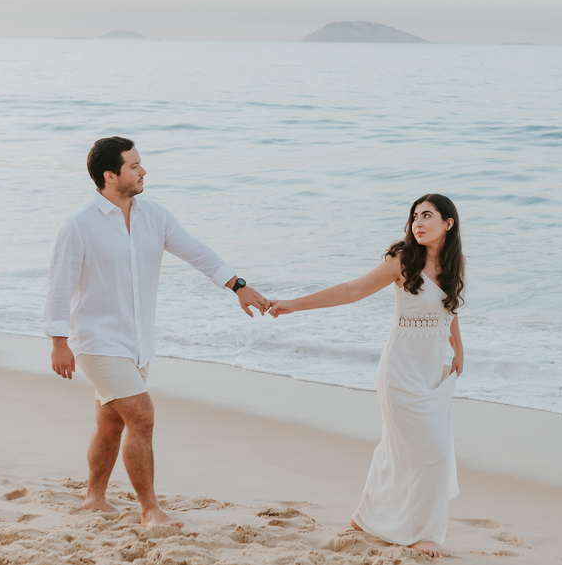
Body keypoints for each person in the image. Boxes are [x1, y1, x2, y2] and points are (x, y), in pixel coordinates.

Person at [44, 136, 269, 528]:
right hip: (96, 341)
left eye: (140, 164)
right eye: (134, 166)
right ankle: (150, 510)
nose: (143, 171)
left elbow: (196, 251)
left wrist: (237, 285)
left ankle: (94, 499)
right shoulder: (78, 224)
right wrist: (58, 343)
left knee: (111, 422)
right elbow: (59, 286)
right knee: (142, 417)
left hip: (138, 342)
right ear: (110, 175)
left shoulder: (155, 216)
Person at [269, 194, 465, 558]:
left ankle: (363, 517)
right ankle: (421, 533)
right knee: (432, 453)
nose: (418, 223)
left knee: (398, 450)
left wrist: (458, 348)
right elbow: (351, 290)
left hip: (432, 373)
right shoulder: (403, 260)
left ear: (448, 223)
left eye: (427, 216)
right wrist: (295, 305)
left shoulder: (455, 263)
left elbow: (449, 307)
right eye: (414, 217)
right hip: (400, 372)